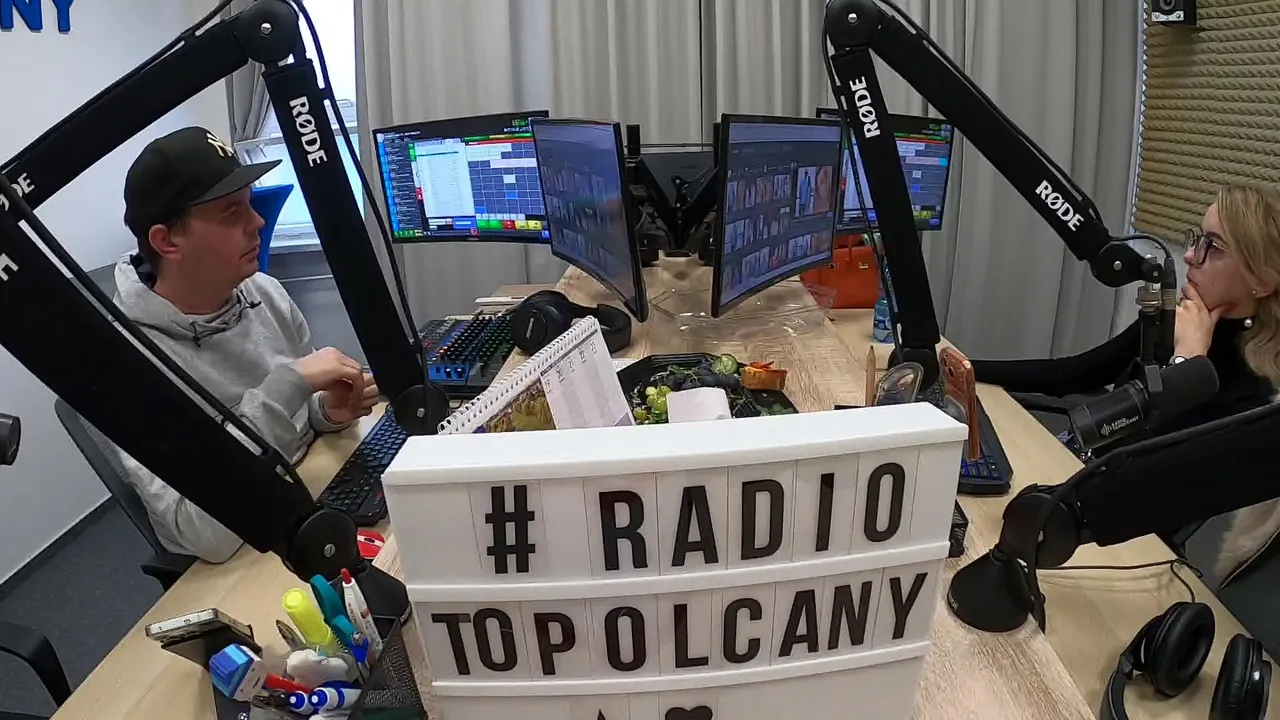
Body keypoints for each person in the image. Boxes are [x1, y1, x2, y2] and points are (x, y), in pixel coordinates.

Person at [111, 126, 379, 563]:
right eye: (231, 212)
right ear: (167, 240)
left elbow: (298, 421)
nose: (257, 222)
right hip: (241, 556)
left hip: (307, 500)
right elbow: (204, 535)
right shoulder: (128, 364)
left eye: (250, 204)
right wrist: (287, 385)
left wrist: (328, 411)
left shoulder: (265, 292)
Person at [972, 184, 1280, 449]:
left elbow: (1148, 464)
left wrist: (1187, 362)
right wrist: (962, 368)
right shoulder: (1171, 320)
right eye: (1197, 239)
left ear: (1263, 280)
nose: (1189, 256)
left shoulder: (1255, 394)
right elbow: (1074, 373)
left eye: (1213, 246)